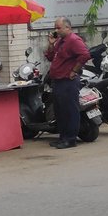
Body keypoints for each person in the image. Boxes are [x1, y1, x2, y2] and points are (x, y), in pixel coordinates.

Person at [44, 17, 91, 150]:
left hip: (67, 81)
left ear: (68, 28)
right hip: (57, 80)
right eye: (55, 28)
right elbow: (50, 57)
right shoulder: (60, 42)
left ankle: (70, 139)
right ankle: (63, 137)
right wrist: (51, 43)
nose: (56, 30)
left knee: (69, 110)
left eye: (59, 28)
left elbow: (85, 55)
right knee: (59, 110)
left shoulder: (74, 40)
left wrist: (74, 70)